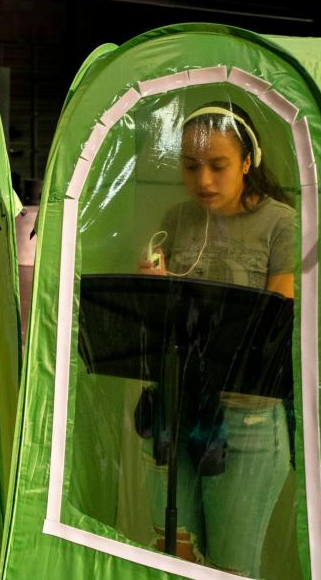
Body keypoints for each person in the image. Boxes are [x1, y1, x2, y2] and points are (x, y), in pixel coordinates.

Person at [136, 102, 295, 576]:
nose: (203, 180)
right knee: (173, 554)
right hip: (176, 408)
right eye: (190, 166)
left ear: (249, 162)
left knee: (229, 567)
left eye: (218, 166)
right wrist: (149, 286)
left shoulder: (281, 224)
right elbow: (155, 317)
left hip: (246, 417)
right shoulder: (177, 218)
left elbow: (276, 320)